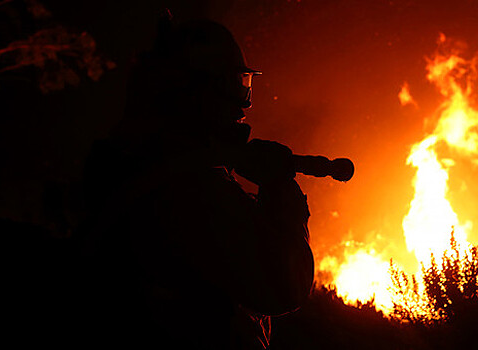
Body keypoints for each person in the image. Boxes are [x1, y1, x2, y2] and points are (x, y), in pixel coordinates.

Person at [80, 15, 314, 349]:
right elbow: (283, 286)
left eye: (245, 81)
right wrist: (280, 190)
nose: (244, 103)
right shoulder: (191, 190)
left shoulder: (137, 165)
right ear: (194, 92)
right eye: (235, 82)